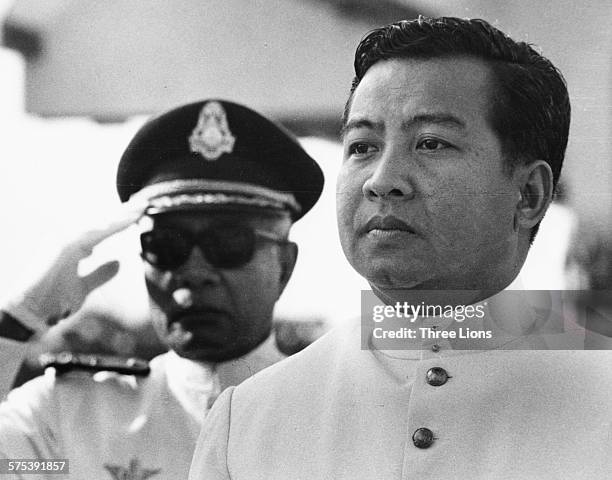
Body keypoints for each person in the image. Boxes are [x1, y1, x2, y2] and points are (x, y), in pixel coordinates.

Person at [188, 17, 612, 480]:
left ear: (528, 194)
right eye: (362, 146)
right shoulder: (250, 419)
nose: (382, 181)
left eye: (431, 143)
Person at [0, 99, 324, 479]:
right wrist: (15, 324)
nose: (194, 270)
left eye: (229, 243)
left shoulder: (335, 415)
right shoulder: (70, 423)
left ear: (284, 266)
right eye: (167, 245)